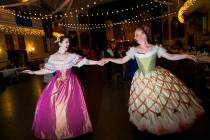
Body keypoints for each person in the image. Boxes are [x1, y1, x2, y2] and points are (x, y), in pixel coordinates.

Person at [102, 27, 204, 135]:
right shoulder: (134, 50)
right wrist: (108, 59)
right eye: (136, 35)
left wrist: (186, 55)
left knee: (160, 101)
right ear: (135, 38)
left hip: (156, 77)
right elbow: (122, 60)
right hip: (141, 79)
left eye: (141, 33)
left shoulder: (156, 48)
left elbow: (170, 56)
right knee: (146, 102)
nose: (139, 36)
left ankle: (161, 123)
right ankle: (150, 122)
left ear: (146, 34)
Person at [22, 36, 105, 139]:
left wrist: (97, 62)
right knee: (57, 107)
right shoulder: (52, 57)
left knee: (72, 108)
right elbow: (46, 70)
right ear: (60, 43)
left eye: (68, 42)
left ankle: (71, 129)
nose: (68, 44)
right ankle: (60, 131)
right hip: (57, 84)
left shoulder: (72, 56)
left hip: (72, 84)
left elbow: (86, 61)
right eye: (66, 42)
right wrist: (33, 72)